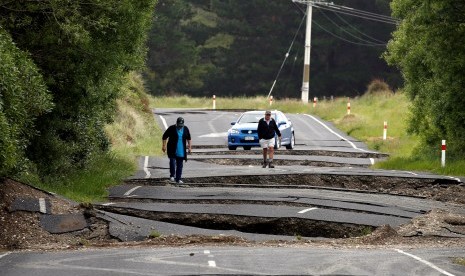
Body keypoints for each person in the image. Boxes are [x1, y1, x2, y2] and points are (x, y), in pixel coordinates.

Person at [162, 117, 192, 184]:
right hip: (172, 149)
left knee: (180, 165)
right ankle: (172, 175)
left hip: (181, 150)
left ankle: (178, 179)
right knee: (172, 162)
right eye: (179, 125)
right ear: (176, 123)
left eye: (181, 126)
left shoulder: (185, 129)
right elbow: (164, 136)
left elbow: (189, 138)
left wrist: (190, 147)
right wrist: (163, 146)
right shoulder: (171, 128)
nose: (180, 127)